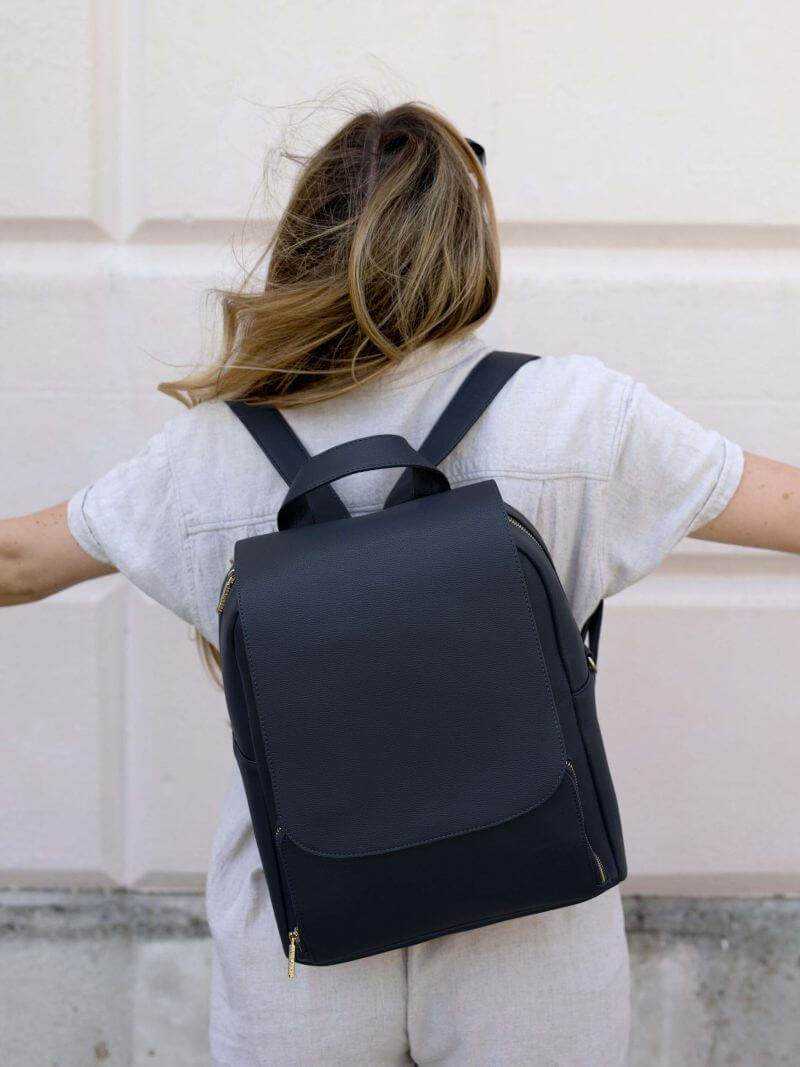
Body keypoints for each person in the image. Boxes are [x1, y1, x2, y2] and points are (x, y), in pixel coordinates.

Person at [2, 101, 798, 1067]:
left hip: (304, 918)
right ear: (468, 242)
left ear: (305, 242)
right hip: (531, 906)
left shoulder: (206, 454)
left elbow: (18, 562)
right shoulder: (579, 414)